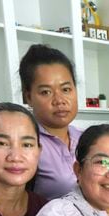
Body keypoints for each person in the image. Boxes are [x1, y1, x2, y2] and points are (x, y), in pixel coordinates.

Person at [19, 44, 82, 199]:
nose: (59, 100)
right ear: (28, 96)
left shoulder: (86, 138)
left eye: (66, 89)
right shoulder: (24, 144)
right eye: (46, 92)